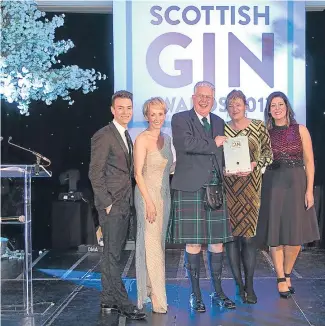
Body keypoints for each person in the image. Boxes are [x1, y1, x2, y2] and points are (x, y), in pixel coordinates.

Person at [167, 81, 236, 312]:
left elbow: (222, 153)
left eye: (209, 96)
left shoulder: (218, 121)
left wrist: (235, 166)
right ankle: (195, 295)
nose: (205, 99)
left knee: (217, 244)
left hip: (215, 187)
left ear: (213, 99)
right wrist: (212, 142)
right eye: (201, 95)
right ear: (193, 97)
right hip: (190, 188)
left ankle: (217, 292)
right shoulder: (180, 118)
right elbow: (184, 143)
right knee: (194, 243)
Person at [89, 90, 146, 320]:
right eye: (120, 108)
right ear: (113, 110)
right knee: (113, 255)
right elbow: (95, 172)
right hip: (113, 203)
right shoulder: (104, 135)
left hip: (124, 201)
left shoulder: (125, 134)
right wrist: (107, 203)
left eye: (128, 108)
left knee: (112, 253)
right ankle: (124, 303)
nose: (125, 112)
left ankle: (108, 299)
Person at [256, 91, 320, 299]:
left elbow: (309, 162)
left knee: (294, 238)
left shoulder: (301, 130)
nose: (276, 108)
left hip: (296, 183)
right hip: (273, 184)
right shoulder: (265, 131)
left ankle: (287, 272)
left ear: (286, 107)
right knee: (276, 235)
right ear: (269, 109)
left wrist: (309, 190)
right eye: (272, 105)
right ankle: (281, 279)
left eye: (280, 104)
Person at [223, 90, 273, 304]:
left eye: (238, 105)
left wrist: (255, 164)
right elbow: (215, 157)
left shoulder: (258, 127)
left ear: (245, 106)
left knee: (249, 239)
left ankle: (250, 286)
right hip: (229, 189)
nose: (235, 109)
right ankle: (238, 286)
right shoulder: (222, 128)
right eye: (231, 105)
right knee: (231, 238)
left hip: (251, 188)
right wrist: (224, 168)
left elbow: (268, 154)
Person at [134, 97, 174, 313]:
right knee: (152, 247)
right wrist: (149, 202)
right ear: (146, 116)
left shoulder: (166, 139)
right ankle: (159, 300)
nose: (157, 118)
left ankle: (150, 290)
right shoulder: (142, 139)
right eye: (153, 114)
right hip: (146, 197)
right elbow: (137, 174)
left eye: (161, 114)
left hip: (164, 197)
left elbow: (170, 168)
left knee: (158, 245)